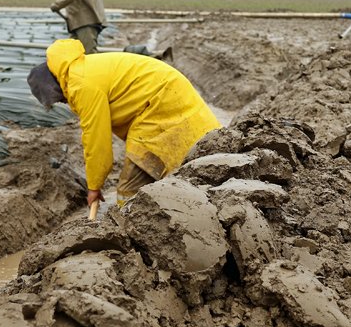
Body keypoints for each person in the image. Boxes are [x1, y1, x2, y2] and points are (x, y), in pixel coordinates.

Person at [27, 38, 220, 208]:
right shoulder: (79, 71)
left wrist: (94, 186)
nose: (63, 102)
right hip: (160, 101)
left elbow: (96, 139)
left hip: (159, 106)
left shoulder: (81, 85)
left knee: (129, 189)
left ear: (54, 86)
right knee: (157, 176)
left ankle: (130, 234)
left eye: (58, 99)